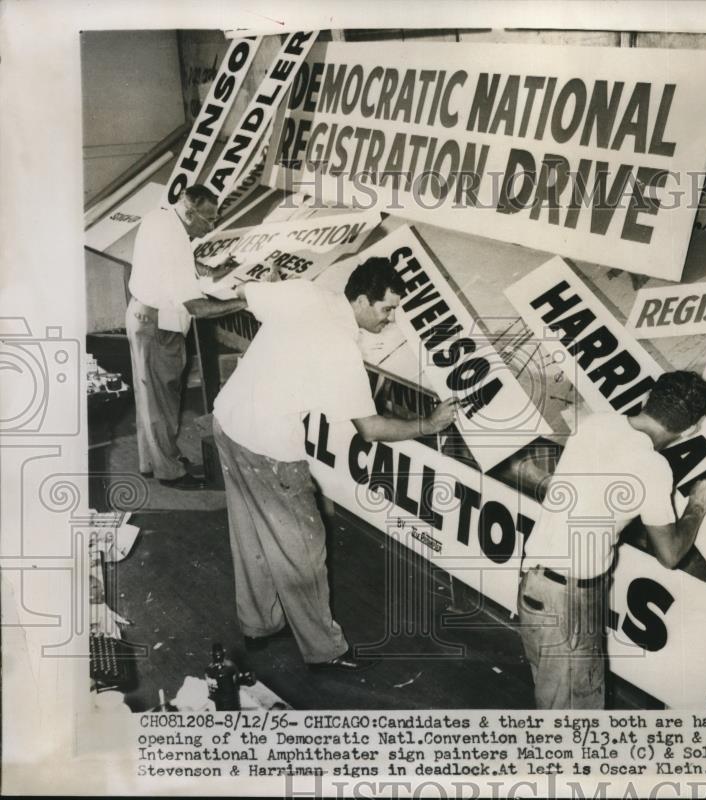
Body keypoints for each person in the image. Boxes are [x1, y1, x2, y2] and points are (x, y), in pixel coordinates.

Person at [212, 256, 459, 672]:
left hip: (228, 420)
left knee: (250, 532)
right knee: (305, 550)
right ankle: (324, 650)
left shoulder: (304, 292)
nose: (391, 319)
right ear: (361, 300)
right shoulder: (342, 347)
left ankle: (259, 624)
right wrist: (430, 423)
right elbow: (370, 428)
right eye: (386, 309)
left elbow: (240, 292)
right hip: (269, 447)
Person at [516, 371, 706, 709]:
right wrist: (697, 507)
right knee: (574, 716)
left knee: (552, 699)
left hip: (534, 585)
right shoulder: (653, 467)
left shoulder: (597, 424)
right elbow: (669, 554)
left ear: (646, 401)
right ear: (688, 431)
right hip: (569, 601)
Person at [126, 184, 246, 489]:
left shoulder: (162, 218)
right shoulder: (175, 239)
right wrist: (246, 299)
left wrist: (212, 271)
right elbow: (198, 308)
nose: (212, 226)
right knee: (163, 401)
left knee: (149, 398)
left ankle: (152, 461)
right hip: (158, 325)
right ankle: (170, 471)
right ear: (190, 211)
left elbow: (182, 265)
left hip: (142, 315)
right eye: (208, 219)